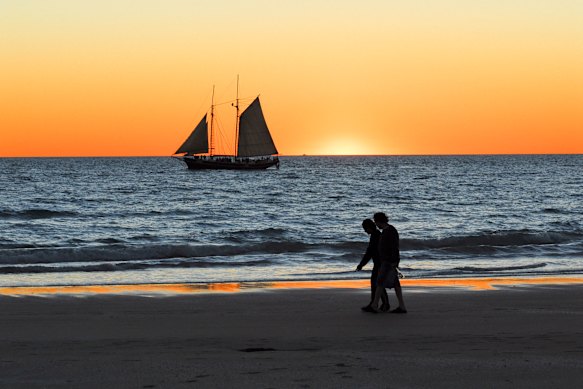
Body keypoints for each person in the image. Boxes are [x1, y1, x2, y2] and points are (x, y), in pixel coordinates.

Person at [363, 212, 407, 314]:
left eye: (376, 222)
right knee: (393, 284)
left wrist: (394, 262)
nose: (375, 225)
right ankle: (402, 306)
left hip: (389, 262)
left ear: (379, 221)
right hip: (387, 261)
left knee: (380, 282)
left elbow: (394, 247)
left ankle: (375, 305)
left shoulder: (390, 231)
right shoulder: (386, 231)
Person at [356, 219, 389, 312]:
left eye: (365, 229)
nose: (365, 231)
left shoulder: (375, 236)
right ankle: (377, 303)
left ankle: (382, 304)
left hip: (379, 263)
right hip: (380, 263)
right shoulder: (377, 235)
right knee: (377, 284)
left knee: (377, 284)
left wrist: (361, 265)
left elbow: (369, 253)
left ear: (369, 227)